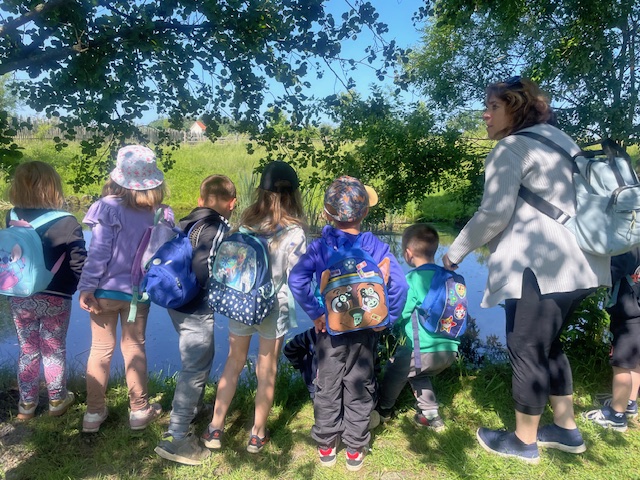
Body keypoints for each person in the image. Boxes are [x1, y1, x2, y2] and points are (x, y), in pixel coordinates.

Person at [441, 77, 610, 464]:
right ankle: (565, 429)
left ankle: (523, 441)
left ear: (516, 108)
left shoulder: (510, 148)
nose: (485, 115)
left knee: (526, 349)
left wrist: (455, 253)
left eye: (494, 107)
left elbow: (494, 214)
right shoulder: (560, 140)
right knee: (549, 346)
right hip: (582, 264)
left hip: (540, 268)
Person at [289, 176, 408, 472]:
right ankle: (354, 448)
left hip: (329, 331)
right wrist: (386, 319)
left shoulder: (319, 248)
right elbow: (400, 286)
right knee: (360, 385)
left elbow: (297, 280)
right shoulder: (376, 247)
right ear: (365, 212)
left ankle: (327, 445)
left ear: (326, 214)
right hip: (366, 331)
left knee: (327, 385)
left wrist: (316, 312)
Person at [202, 161, 307, 453]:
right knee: (267, 369)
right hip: (274, 305)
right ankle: (257, 434)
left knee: (233, 362)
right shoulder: (295, 232)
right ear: (294, 195)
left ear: (261, 192)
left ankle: (215, 428)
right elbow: (297, 277)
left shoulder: (247, 223)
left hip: (241, 302)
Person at [78, 145, 170, 433]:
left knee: (100, 349)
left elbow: (98, 253)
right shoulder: (160, 214)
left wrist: (87, 287)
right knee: (134, 348)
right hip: (138, 294)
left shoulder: (107, 208)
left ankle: (94, 413)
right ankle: (139, 410)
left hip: (104, 293)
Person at [154, 175, 237, 465]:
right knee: (196, 366)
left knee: (199, 358)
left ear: (200, 200)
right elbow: (203, 264)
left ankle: (193, 408)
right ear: (232, 203)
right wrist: (209, 290)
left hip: (176, 301)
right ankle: (177, 437)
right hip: (194, 305)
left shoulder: (190, 221)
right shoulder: (216, 226)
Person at [6, 161, 87, 420]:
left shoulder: (12, 216)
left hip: (20, 294)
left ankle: (26, 405)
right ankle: (57, 400)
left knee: (27, 349)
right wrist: (79, 288)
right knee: (53, 348)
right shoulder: (67, 221)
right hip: (56, 296)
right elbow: (79, 262)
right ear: (53, 187)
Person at [376, 223, 459, 431]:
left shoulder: (412, 280)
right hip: (449, 349)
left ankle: (383, 410)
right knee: (419, 375)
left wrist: (384, 322)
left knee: (395, 371)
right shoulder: (447, 277)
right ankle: (431, 417)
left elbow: (400, 312)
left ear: (408, 253)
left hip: (421, 348)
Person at [584, 248, 640, 432]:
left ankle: (616, 415)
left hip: (627, 314)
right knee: (634, 361)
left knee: (621, 365)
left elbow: (612, 270)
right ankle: (629, 402)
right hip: (636, 313)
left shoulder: (630, 246)